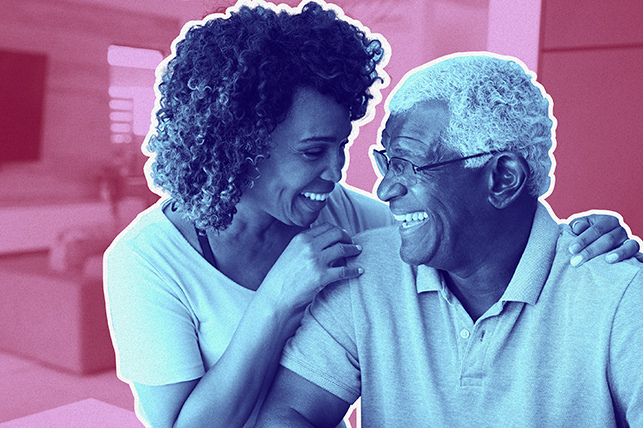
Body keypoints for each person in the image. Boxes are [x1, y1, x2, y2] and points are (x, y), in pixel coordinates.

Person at [104, 2, 637, 427]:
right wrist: (276, 301)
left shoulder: (358, 230)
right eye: (313, 152)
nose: (347, 176)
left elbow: (485, 229)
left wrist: (584, 242)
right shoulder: (146, 262)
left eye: (345, 147)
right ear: (240, 147)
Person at [256, 53, 643, 427]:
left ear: (503, 178)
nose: (386, 187)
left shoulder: (620, 296)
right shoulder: (364, 271)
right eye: (387, 162)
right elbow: (287, 413)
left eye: (409, 165)